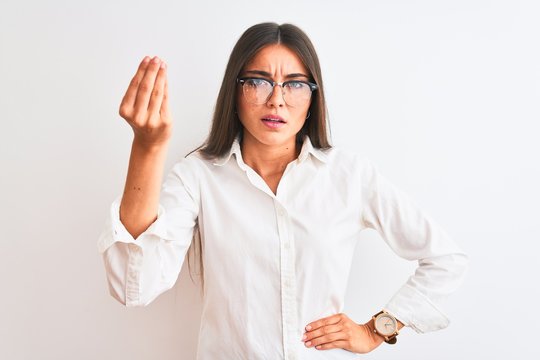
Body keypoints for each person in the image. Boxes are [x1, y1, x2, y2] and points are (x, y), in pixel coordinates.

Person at [97, 22, 468, 359]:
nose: (276, 99)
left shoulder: (348, 175)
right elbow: (136, 287)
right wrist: (148, 147)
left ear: (312, 99)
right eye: (258, 81)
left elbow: (445, 259)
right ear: (235, 91)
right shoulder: (198, 176)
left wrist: (377, 329)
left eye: (294, 84)